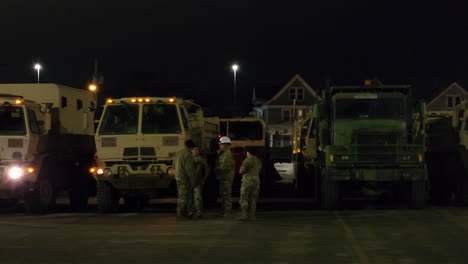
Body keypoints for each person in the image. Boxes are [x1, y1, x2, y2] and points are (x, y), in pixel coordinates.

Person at [174, 139, 197, 220]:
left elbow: (173, 164)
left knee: (180, 195)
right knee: (184, 196)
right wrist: (194, 181)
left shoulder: (178, 153)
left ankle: (180, 213)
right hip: (184, 178)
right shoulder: (188, 155)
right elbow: (190, 170)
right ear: (191, 147)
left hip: (177, 177)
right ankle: (182, 214)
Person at [238, 146, 262, 221]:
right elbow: (259, 170)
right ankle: (252, 216)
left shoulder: (247, 160)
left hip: (247, 181)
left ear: (248, 152)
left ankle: (244, 215)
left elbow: (241, 171)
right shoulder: (258, 160)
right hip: (256, 181)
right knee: (253, 199)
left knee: (244, 198)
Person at [215, 136, 235, 217]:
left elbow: (223, 168)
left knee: (226, 195)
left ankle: (227, 212)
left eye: (221, 144)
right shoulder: (224, 154)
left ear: (226, 145)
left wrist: (216, 168)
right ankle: (224, 212)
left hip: (226, 178)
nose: (220, 146)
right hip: (224, 178)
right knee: (223, 195)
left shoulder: (227, 155)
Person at [190, 146, 209, 218]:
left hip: (198, 181)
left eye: (197, 150)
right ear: (191, 150)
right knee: (191, 197)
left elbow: (206, 169)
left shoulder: (201, 159)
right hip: (190, 181)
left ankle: (199, 211)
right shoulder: (189, 158)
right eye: (195, 149)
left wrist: (204, 178)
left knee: (198, 197)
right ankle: (191, 210)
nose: (196, 151)